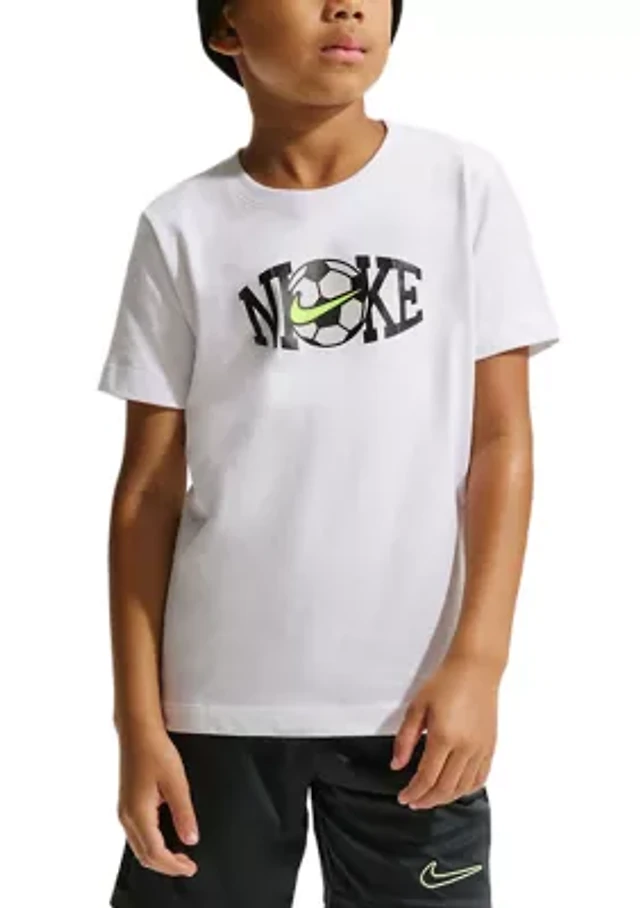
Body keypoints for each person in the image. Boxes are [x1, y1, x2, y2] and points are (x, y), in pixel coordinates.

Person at [96, 2, 560, 906]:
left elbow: (501, 440)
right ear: (228, 28)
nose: (348, 6)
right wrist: (137, 724)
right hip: (215, 703)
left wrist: (481, 663)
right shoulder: (181, 225)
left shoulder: (461, 187)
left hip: (414, 710)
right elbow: (147, 493)